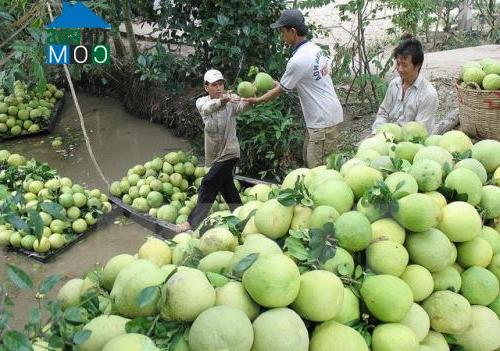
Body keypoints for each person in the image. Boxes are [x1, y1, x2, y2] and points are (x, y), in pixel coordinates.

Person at [244, 9, 343, 168]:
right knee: (310, 159)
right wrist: (280, 84)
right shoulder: (314, 49)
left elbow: (281, 90)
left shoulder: (298, 59)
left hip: (323, 120)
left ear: (293, 31)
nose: (281, 36)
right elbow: (308, 81)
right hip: (328, 114)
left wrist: (258, 100)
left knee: (320, 169)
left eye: (282, 31)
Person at [175, 69, 250, 233]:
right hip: (215, 154)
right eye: (214, 85)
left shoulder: (231, 101)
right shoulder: (202, 102)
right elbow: (208, 109)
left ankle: (192, 223)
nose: (218, 88)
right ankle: (242, 217)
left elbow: (244, 106)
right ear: (206, 87)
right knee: (226, 186)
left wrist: (251, 96)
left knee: (208, 182)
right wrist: (223, 101)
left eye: (221, 84)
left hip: (230, 152)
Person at [371, 36, 438, 134]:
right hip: (388, 137)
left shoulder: (428, 94)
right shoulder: (394, 84)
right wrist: (377, 132)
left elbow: (419, 131)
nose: (400, 69)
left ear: (417, 65)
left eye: (405, 65)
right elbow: (383, 112)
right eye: (398, 64)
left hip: (412, 143)